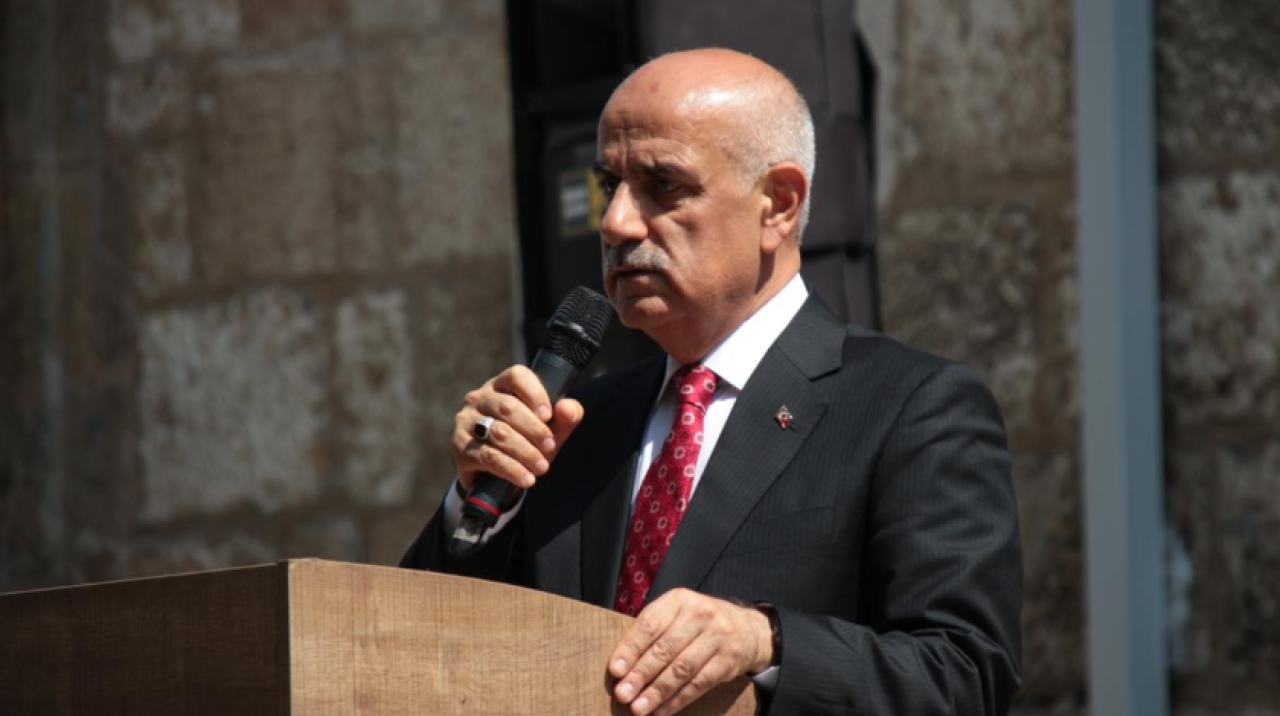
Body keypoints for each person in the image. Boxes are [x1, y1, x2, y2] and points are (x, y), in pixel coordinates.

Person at [402, 48, 1022, 716]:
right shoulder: (578, 423)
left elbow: (965, 677)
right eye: (609, 184)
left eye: (663, 184)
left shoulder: (911, 407)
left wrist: (768, 640)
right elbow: (413, 652)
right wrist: (479, 504)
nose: (615, 222)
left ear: (778, 205)